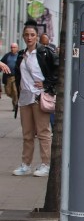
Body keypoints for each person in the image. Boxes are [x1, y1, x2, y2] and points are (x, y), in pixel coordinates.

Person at [13, 20, 58, 177]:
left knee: (43, 132)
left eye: (32, 35)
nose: (29, 38)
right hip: (25, 98)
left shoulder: (45, 53)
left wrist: (47, 84)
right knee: (27, 134)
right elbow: (19, 75)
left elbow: (58, 71)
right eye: (26, 35)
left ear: (37, 36)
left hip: (39, 97)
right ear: (23, 37)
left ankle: (45, 164)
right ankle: (26, 164)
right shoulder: (21, 54)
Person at [1, 42, 20, 109]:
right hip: (8, 77)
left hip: (15, 76)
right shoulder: (7, 56)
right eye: (11, 47)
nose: (12, 49)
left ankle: (15, 105)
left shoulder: (19, 56)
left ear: (17, 48)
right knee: (8, 92)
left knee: (15, 91)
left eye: (14, 47)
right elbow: (1, 64)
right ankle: (15, 99)